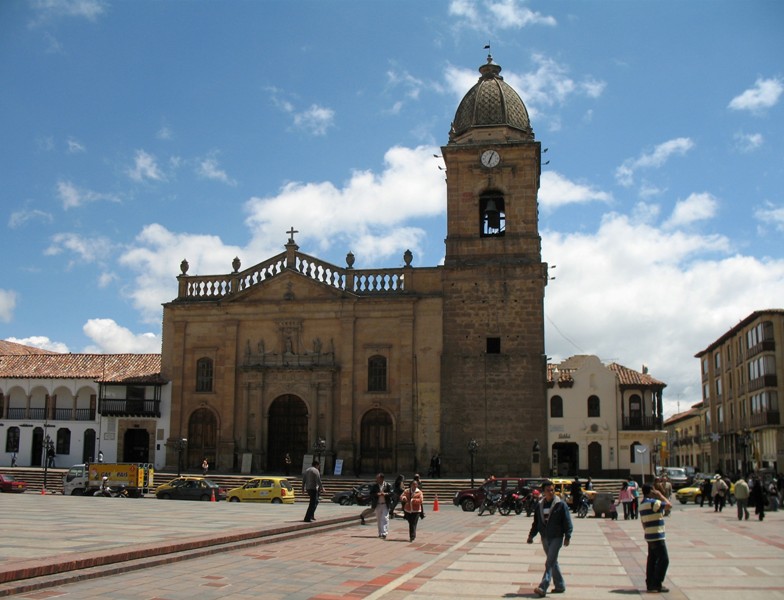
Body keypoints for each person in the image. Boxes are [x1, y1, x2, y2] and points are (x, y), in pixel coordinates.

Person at [527, 480, 573, 597]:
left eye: (552, 490)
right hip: (545, 537)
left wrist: (567, 536)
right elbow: (536, 522)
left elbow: (567, 521)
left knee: (549, 562)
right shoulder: (540, 505)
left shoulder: (560, 504)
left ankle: (543, 587)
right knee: (553, 562)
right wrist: (531, 535)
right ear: (543, 492)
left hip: (556, 537)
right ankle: (560, 585)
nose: (551, 492)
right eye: (548, 490)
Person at [640, 483, 672, 593]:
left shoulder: (642, 504)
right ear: (650, 492)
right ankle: (657, 583)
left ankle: (650, 583)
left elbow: (643, 522)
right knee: (664, 560)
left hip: (649, 535)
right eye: (653, 490)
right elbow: (669, 505)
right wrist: (660, 495)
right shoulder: (653, 502)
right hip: (657, 535)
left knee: (652, 560)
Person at [369, 472, 393, 539]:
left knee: (385, 518)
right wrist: (377, 494)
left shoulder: (388, 485)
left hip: (385, 504)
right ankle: (380, 533)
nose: (377, 480)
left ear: (382, 479)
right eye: (376, 478)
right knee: (379, 519)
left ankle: (384, 533)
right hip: (377, 504)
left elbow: (392, 493)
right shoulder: (375, 486)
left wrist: (385, 494)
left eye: (378, 478)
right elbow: (371, 494)